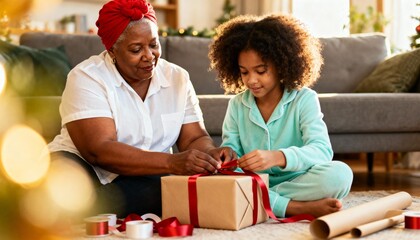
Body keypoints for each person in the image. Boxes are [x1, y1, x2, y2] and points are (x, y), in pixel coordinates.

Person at [48, 0, 235, 218]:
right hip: (84, 165)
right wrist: (171, 162)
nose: (149, 55)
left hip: (146, 172)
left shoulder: (177, 78)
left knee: (162, 191)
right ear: (112, 51)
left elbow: (194, 138)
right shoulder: (87, 77)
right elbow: (98, 150)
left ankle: (82, 210)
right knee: (61, 184)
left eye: (154, 45)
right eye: (136, 49)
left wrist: (210, 154)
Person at [208, 14, 353, 218]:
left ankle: (260, 202)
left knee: (340, 175)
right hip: (252, 181)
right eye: (244, 72)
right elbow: (233, 154)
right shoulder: (236, 105)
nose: (252, 80)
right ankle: (295, 208)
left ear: (282, 64)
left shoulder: (304, 99)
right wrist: (229, 155)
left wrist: (278, 157)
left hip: (298, 179)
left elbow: (322, 150)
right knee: (223, 181)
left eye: (261, 71)